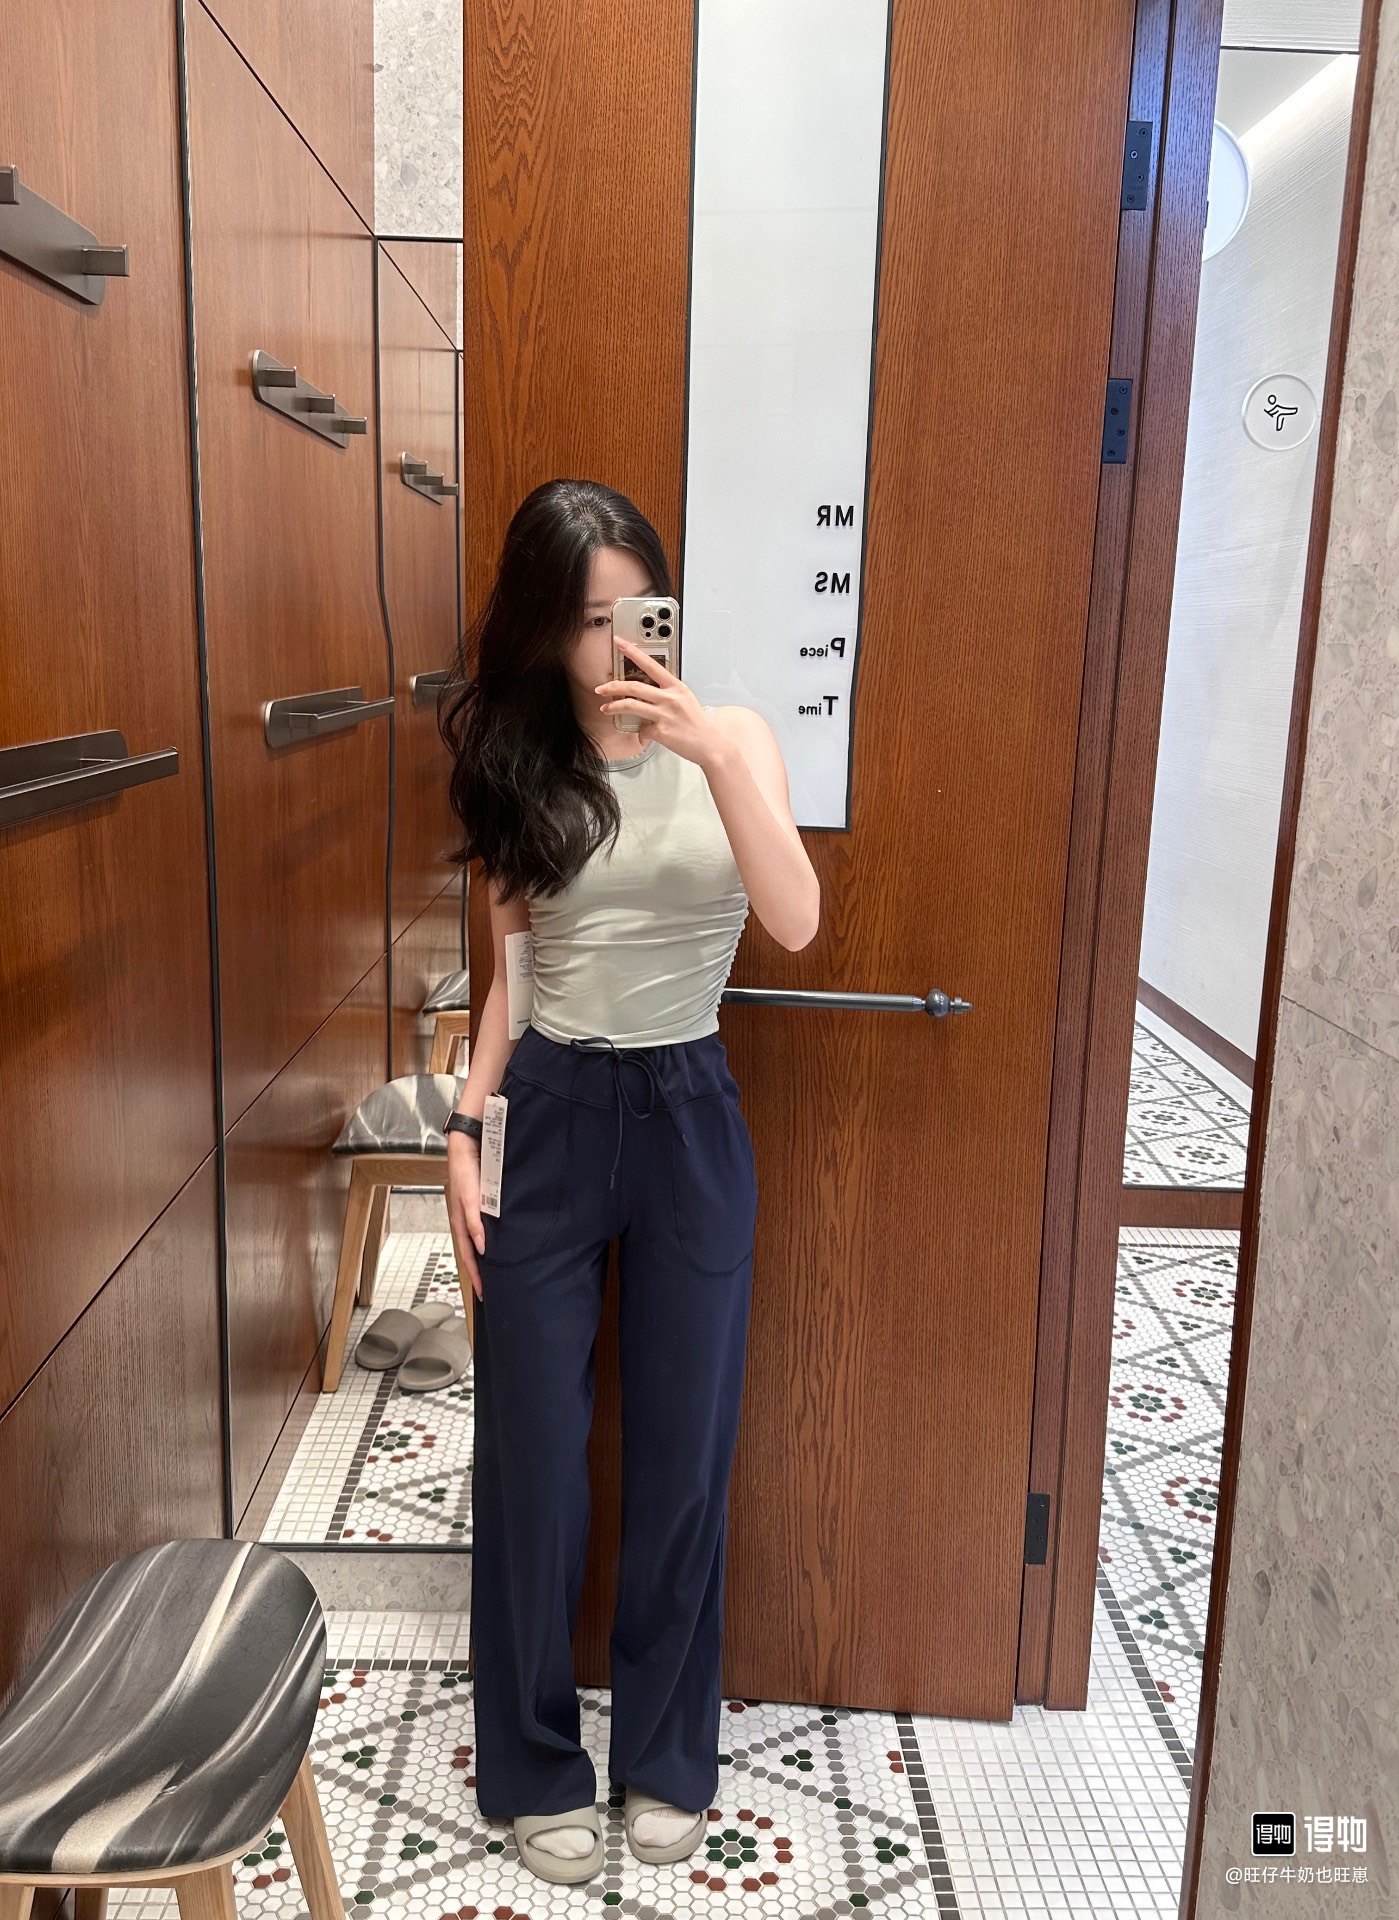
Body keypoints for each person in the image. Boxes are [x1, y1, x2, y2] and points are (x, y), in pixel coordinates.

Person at [437, 478, 820, 1886]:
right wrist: (464, 1129)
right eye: (587, 621)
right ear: (546, 630)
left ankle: (666, 1757)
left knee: (682, 1454)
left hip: (689, 1109)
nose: (613, 648)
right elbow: (511, 982)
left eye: (635, 614)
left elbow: (795, 918)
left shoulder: (740, 739)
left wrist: (708, 751)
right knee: (534, 1453)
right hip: (551, 1105)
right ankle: (535, 1763)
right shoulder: (523, 763)